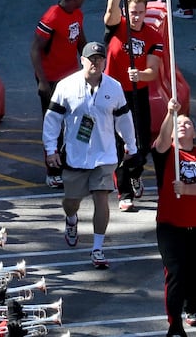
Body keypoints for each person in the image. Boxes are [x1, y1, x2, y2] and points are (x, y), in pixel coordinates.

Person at [42, 41, 135, 269]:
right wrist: (51, 149)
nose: (95, 62)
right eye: (91, 59)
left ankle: (97, 249)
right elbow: (52, 119)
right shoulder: (66, 86)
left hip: (104, 156)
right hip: (75, 156)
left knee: (101, 197)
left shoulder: (114, 87)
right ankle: (71, 219)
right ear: (82, 60)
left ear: (104, 61)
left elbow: (124, 118)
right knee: (71, 202)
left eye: (99, 59)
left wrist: (131, 145)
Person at [152, 98, 196, 337]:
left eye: (188, 122)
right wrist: (170, 114)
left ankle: (193, 306)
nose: (183, 125)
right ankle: (175, 325)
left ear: (195, 132)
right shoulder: (166, 153)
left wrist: (186, 189)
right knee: (176, 273)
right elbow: (160, 142)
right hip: (171, 226)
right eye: (179, 124)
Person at [103, 0, 163, 212]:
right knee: (119, 144)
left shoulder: (153, 36)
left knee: (141, 143)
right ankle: (124, 193)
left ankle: (136, 172)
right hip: (113, 93)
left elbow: (154, 70)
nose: (136, 17)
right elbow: (110, 9)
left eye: (141, 13)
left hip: (137, 93)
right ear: (126, 12)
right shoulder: (118, 26)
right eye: (133, 12)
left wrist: (140, 75)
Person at [31, 0, 88, 185]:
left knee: (76, 123)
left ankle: (72, 164)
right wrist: (43, 82)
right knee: (53, 126)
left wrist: (91, 62)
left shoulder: (77, 14)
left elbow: (81, 42)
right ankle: (53, 172)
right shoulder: (51, 18)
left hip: (72, 77)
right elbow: (35, 49)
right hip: (52, 81)